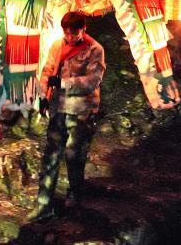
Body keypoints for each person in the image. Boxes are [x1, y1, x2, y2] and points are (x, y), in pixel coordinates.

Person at [28, 12, 105, 221]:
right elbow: (47, 70)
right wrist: (43, 95)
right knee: (51, 156)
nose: (70, 37)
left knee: (74, 156)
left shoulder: (95, 49)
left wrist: (63, 83)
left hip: (81, 111)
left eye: (74, 33)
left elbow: (92, 81)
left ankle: (75, 193)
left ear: (83, 29)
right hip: (58, 109)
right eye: (67, 33)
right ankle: (44, 204)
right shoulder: (57, 45)